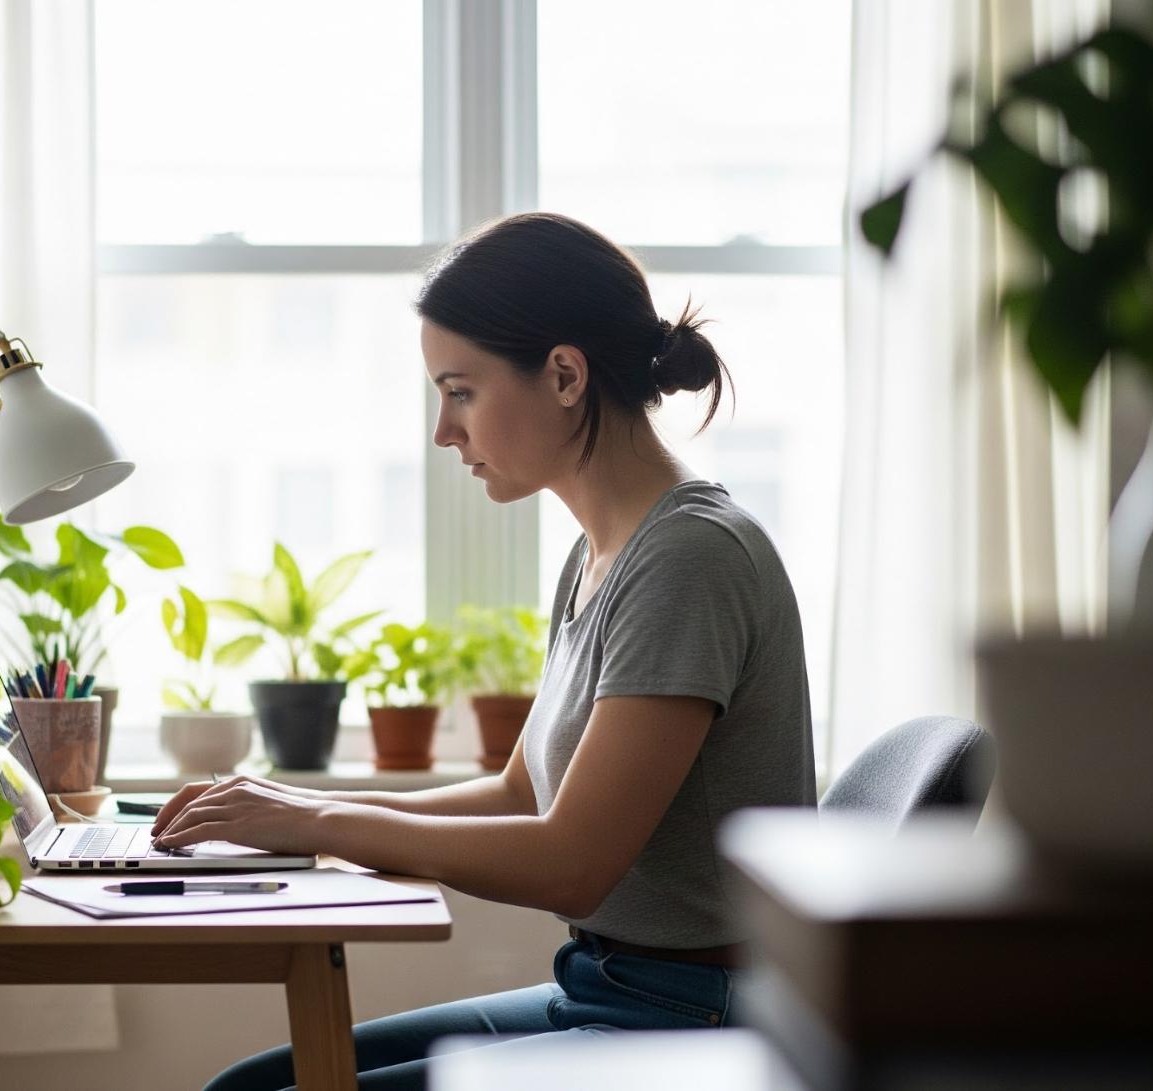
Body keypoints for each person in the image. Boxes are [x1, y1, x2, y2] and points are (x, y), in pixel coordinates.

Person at [155, 212, 816, 1090]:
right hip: (607, 987)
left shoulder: (689, 558)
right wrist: (299, 806)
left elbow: (573, 862)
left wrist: (319, 826)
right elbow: (519, 790)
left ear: (565, 374)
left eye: (460, 390)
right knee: (249, 1085)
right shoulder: (601, 552)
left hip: (693, 1015)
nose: (442, 430)